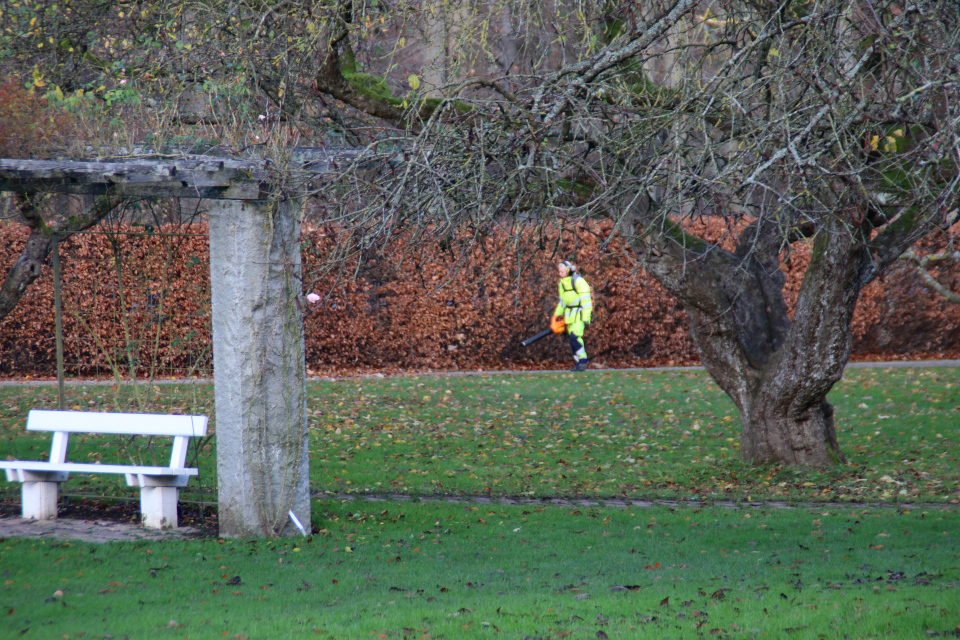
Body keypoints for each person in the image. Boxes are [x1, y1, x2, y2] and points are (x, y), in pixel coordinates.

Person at [553, 261, 593, 371]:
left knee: (575, 337)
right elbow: (562, 302)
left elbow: (586, 301)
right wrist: (557, 315)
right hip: (569, 316)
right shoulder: (562, 284)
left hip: (579, 315)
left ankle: (583, 361)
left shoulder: (579, 282)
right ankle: (579, 363)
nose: (559, 273)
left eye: (561, 271)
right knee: (572, 341)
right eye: (559, 271)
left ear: (568, 270)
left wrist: (586, 317)